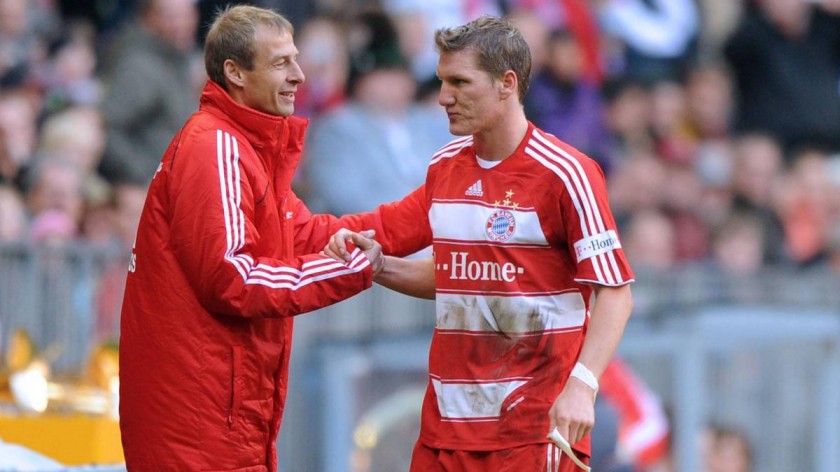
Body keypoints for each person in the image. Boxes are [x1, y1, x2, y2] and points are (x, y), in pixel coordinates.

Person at [327, 15, 634, 472]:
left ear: (506, 84)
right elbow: (461, 272)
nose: (444, 97)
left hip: (533, 431)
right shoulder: (444, 167)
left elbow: (615, 291)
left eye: (459, 82)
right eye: (441, 82)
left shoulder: (566, 173)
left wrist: (583, 386)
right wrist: (379, 265)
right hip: (444, 432)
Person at [118, 6, 384, 471]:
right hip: (199, 427)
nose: (300, 75)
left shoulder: (243, 146)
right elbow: (233, 278)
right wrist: (353, 267)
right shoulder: (215, 145)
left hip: (219, 419)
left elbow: (305, 234)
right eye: (281, 62)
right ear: (235, 72)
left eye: (296, 59)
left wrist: (427, 212)